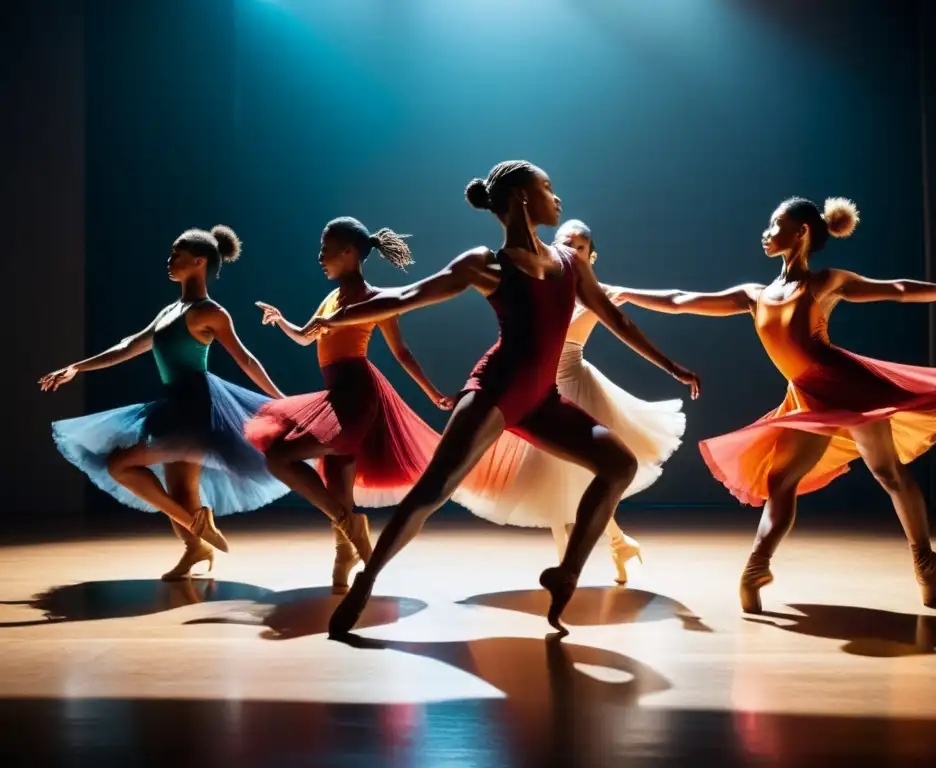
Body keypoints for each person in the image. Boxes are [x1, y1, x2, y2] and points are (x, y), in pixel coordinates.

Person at [317, 160, 700, 635]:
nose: (556, 198)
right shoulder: (486, 264)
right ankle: (365, 582)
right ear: (522, 197)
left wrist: (671, 366)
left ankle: (567, 572)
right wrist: (336, 320)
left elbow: (619, 321)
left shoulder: (570, 263)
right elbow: (408, 296)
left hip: (541, 400)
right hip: (494, 392)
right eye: (548, 187)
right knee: (431, 491)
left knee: (619, 465)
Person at [612, 197, 936, 612]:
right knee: (783, 483)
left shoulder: (826, 283)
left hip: (850, 390)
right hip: (808, 396)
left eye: (776, 224)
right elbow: (680, 299)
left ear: (801, 232)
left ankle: (923, 559)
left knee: (887, 473)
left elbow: (898, 290)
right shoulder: (755, 295)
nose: (766, 231)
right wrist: (627, 293)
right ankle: (757, 567)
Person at [40, 226, 288, 579]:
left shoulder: (209, 311)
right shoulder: (172, 309)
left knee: (120, 465)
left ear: (199, 261)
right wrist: (77, 367)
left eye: (177, 254)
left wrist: (279, 400)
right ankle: (196, 548)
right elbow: (128, 346)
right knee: (180, 488)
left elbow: (246, 360)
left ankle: (197, 527)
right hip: (173, 406)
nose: (169, 260)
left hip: (196, 408)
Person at [464, 218, 687, 585]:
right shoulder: (539, 282)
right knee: (551, 478)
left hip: (574, 386)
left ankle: (591, 554)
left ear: (591, 255)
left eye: (579, 246)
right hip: (536, 387)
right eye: (564, 242)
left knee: (579, 475)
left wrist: (672, 364)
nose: (571, 249)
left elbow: (660, 304)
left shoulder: (600, 291)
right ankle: (608, 547)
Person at [246, 217, 455, 591]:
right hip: (333, 397)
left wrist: (431, 392)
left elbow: (402, 353)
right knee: (337, 486)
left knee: (280, 456)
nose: (320, 257)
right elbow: (305, 338)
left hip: (356, 398)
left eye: (326, 249)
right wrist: (280, 320)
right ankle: (348, 555)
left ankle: (351, 525)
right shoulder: (330, 299)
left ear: (349, 253)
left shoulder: (375, 300)